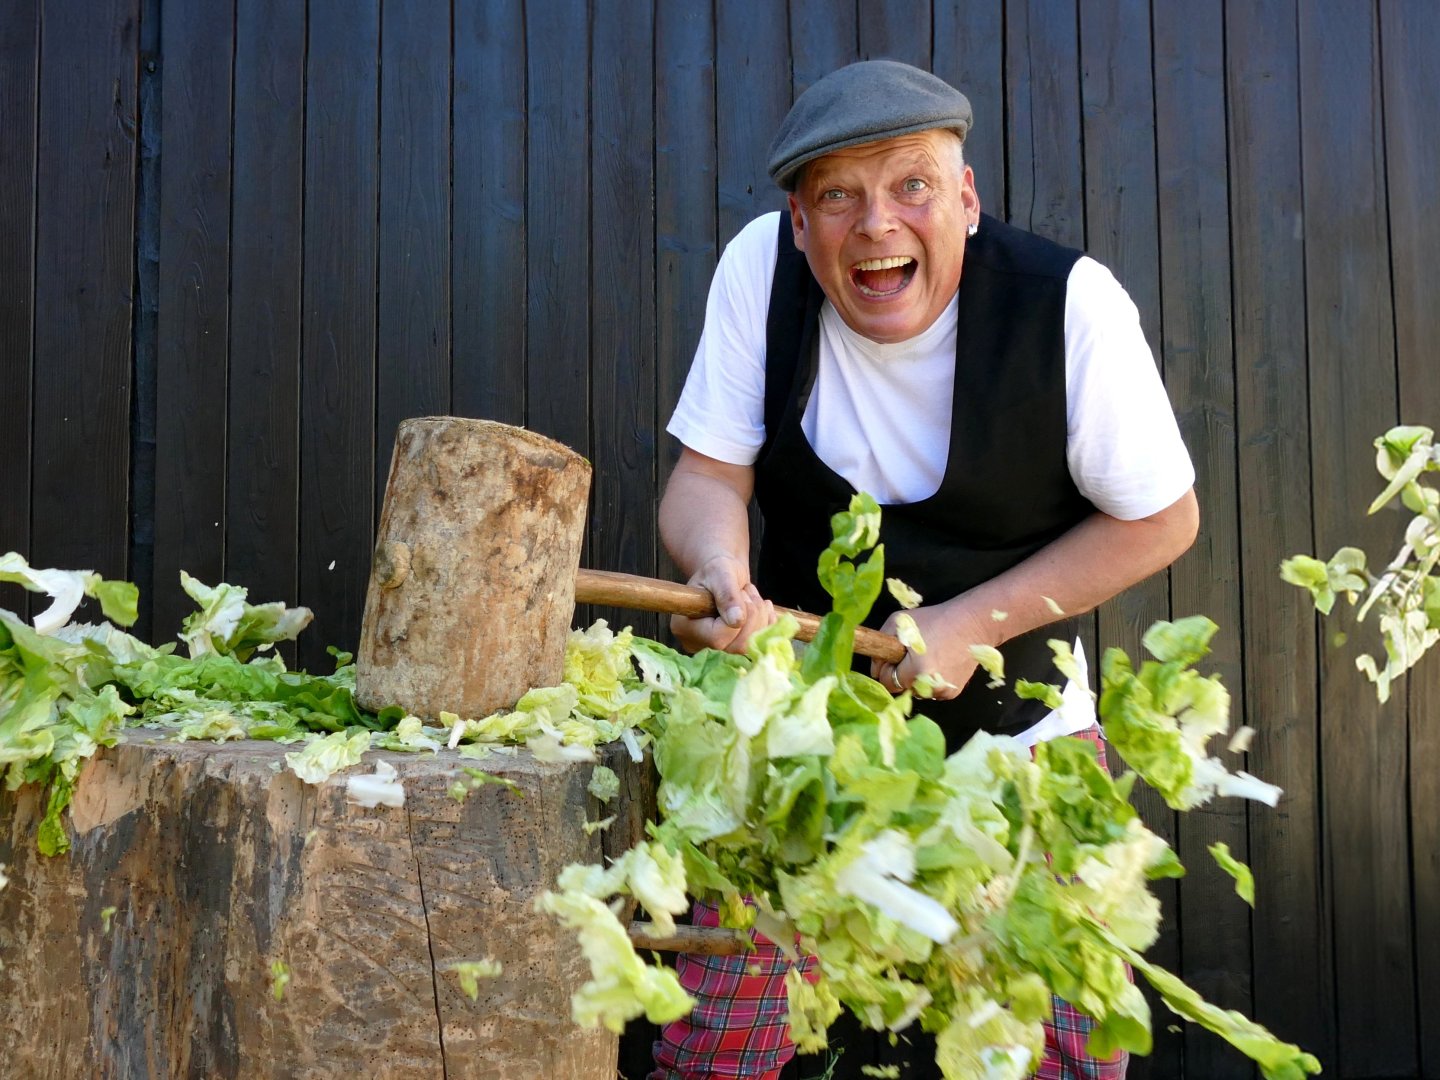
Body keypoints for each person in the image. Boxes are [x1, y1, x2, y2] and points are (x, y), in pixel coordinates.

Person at [650, 60, 1198, 1080]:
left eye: (911, 185)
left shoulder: (1070, 307)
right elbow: (704, 477)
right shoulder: (759, 272)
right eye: (838, 196)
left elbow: (1162, 519)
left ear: (967, 199)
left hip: (1021, 745)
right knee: (717, 1048)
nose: (877, 225)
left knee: (1061, 1056)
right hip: (799, 738)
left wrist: (972, 624)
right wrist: (720, 566)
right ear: (800, 222)